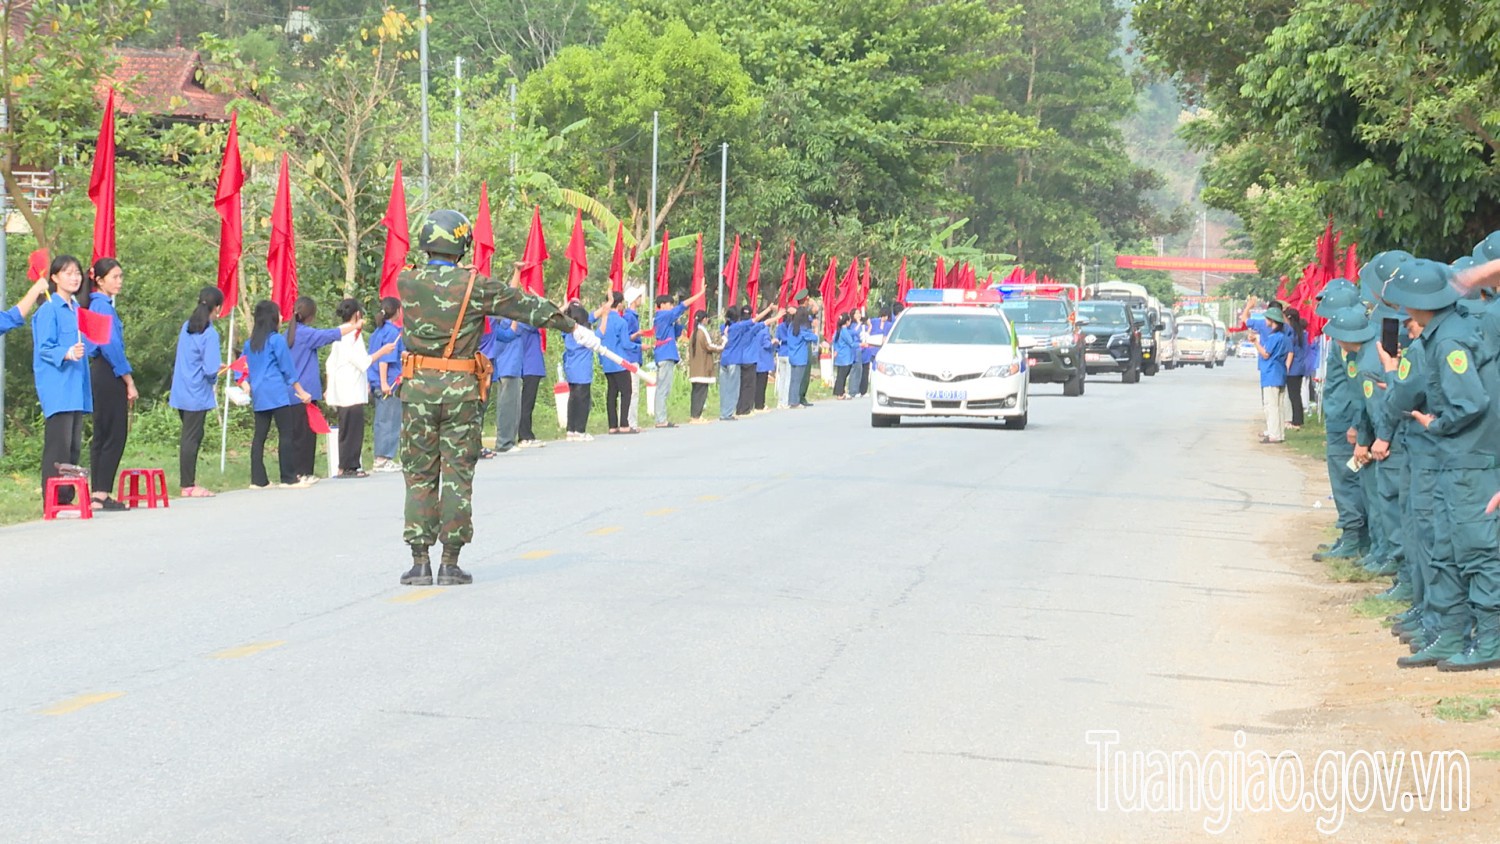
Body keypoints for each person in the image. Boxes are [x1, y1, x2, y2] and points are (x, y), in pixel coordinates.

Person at [397, 212, 588, 587]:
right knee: (456, 475)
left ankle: (419, 563)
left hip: (417, 390)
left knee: (419, 476)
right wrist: (569, 324)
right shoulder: (475, 286)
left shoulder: (407, 281)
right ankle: (449, 564)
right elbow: (523, 305)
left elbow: (429, 282)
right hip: (461, 394)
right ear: (461, 245)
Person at [1380, 259, 1500, 671]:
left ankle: (1490, 640)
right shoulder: (1445, 332)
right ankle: (1449, 634)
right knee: (1444, 549)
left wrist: (1437, 424)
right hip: (1455, 459)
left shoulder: (1449, 341)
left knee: (1477, 551)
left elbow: (1470, 403)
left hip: (1470, 459)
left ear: (1417, 303)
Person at [1312, 283, 1370, 562]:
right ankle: (1354, 535)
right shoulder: (1342, 336)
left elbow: (1359, 385)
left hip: (1346, 420)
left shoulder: (1348, 338)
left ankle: (1352, 537)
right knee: (1349, 479)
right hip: (1341, 416)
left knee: (1346, 480)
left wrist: (1357, 424)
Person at [32, 255, 92, 507]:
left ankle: (66, 498)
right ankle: (53, 500)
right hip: (58, 387)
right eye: (68, 273)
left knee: (73, 447)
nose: (74, 277)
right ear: (55, 277)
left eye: (77, 273)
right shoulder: (49, 309)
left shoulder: (77, 309)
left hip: (76, 386)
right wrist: (67, 353)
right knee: (58, 447)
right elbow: (44, 348)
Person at [284, 296, 359, 483]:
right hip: (305, 392)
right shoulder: (306, 334)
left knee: (293, 435)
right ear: (311, 315)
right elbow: (330, 335)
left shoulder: (287, 334)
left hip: (289, 391)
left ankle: (293, 473)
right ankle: (303, 472)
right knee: (306, 436)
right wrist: (354, 327)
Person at [83, 258, 136, 511]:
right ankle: (101, 493)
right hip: (108, 371)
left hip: (99, 371)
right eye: (114, 277)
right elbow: (110, 345)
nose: (119, 281)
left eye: (121, 276)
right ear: (100, 280)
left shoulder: (95, 305)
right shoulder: (102, 307)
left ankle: (97, 493)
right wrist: (129, 380)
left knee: (102, 432)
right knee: (114, 433)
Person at [243, 300, 312, 489]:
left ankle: (258, 480)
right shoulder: (276, 340)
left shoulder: (250, 344)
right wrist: (301, 391)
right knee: (286, 434)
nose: (282, 317)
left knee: (259, 437)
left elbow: (243, 368)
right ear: (272, 318)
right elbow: (287, 369)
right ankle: (288, 478)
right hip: (276, 393)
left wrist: (244, 382)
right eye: (279, 314)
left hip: (259, 395)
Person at [326, 298, 398, 478]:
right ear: (357, 314)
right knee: (353, 429)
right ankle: (350, 466)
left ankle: (344, 465)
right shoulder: (352, 335)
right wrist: (383, 351)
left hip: (343, 387)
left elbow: (330, 363)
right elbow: (363, 362)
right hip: (351, 388)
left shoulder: (339, 333)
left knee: (346, 428)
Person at [169, 287, 225, 497]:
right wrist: (215, 374)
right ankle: (188, 485)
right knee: (191, 438)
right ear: (217, 308)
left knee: (190, 436)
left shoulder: (187, 327)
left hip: (181, 390)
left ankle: (188, 482)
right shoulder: (209, 333)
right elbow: (210, 369)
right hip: (197, 393)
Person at [651, 288, 707, 428]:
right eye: (669, 304)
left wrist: (677, 322)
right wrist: (698, 295)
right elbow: (682, 306)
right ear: (662, 305)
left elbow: (676, 333)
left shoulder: (667, 318)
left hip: (667, 354)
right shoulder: (662, 315)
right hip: (665, 354)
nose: (671, 307)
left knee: (665, 388)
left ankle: (661, 417)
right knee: (662, 388)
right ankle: (660, 419)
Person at [367, 297, 404, 473]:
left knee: (382, 419)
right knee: (389, 420)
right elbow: (385, 359)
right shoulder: (392, 333)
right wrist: (384, 382)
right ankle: (383, 458)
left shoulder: (377, 332)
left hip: (375, 379)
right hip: (389, 382)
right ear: (397, 311)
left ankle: (381, 457)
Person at [599, 292, 641, 434]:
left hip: (607, 362)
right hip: (620, 362)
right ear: (620, 304)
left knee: (612, 393)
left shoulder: (603, 321)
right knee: (626, 392)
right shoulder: (621, 322)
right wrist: (639, 347)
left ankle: (612, 425)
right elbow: (626, 344)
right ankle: (624, 424)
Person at [1248, 306, 1291, 443]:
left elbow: (1266, 354)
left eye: (1267, 319)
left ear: (1272, 321)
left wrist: (1255, 342)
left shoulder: (1273, 337)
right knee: (1279, 406)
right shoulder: (1285, 337)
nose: (1265, 321)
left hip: (1271, 373)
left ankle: (1274, 434)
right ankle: (1279, 434)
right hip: (1280, 372)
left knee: (1271, 406)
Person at [562, 302, 597, 441]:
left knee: (573, 399)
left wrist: (569, 306)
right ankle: (580, 430)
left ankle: (570, 429)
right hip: (583, 371)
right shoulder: (584, 334)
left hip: (571, 370)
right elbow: (598, 337)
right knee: (583, 401)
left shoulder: (567, 332)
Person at [686, 310, 723, 422]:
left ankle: (694, 415)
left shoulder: (694, 332)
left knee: (695, 392)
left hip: (695, 368)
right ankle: (697, 416)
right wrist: (720, 347)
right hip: (703, 367)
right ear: (704, 319)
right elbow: (709, 346)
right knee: (701, 393)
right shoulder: (703, 332)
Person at [516, 321, 546, 447]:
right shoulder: (526, 325)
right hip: (531, 366)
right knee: (527, 404)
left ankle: (526, 434)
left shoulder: (524, 325)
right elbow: (543, 320)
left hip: (531, 366)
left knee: (527, 403)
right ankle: (525, 435)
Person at [623, 285, 647, 432]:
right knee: (633, 390)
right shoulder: (629, 317)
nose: (640, 299)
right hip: (631, 356)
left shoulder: (631, 316)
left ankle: (630, 421)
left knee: (632, 390)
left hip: (633, 355)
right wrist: (638, 335)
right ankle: (630, 423)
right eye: (638, 297)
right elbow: (627, 338)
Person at [784, 309, 818, 408]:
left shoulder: (791, 326)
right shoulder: (803, 329)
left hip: (792, 356)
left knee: (793, 380)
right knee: (798, 381)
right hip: (801, 357)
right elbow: (814, 338)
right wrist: (815, 328)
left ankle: (791, 400)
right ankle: (795, 402)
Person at [832, 312, 859, 399]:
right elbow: (851, 343)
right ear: (847, 321)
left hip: (840, 357)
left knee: (840, 375)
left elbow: (834, 341)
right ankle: (840, 393)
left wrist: (836, 350)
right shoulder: (844, 331)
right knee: (842, 376)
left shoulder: (838, 330)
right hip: (845, 357)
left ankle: (840, 392)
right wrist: (861, 344)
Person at [754, 315, 775, 410]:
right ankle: (760, 404)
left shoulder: (755, 329)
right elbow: (766, 345)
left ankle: (755, 403)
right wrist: (773, 342)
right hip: (764, 360)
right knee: (762, 385)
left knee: (756, 384)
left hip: (756, 359)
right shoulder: (765, 330)